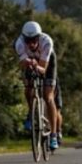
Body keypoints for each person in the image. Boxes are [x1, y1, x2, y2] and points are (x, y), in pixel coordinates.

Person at [14, 20, 61, 151]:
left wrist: (34, 64)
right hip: (31, 62)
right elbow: (23, 64)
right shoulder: (19, 44)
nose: (31, 43)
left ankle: (53, 135)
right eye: (28, 40)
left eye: (34, 39)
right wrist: (29, 63)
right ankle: (31, 113)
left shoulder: (47, 42)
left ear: (39, 37)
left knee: (48, 96)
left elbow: (43, 69)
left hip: (47, 63)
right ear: (23, 39)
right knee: (28, 89)